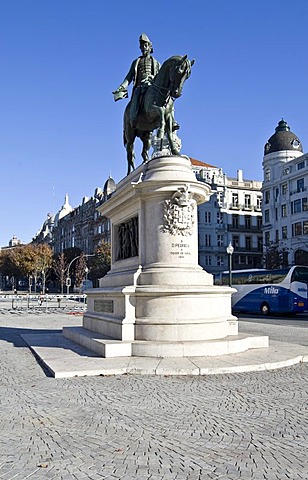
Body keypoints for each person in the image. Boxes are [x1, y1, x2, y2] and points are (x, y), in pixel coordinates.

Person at [113, 34, 179, 130]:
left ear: (150, 46)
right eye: (141, 46)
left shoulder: (156, 63)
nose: (143, 48)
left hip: (153, 87)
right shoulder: (136, 62)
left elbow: (161, 77)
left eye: (145, 45)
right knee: (136, 95)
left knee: (169, 99)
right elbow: (129, 77)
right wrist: (122, 86)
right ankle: (133, 117)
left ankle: (172, 121)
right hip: (140, 86)